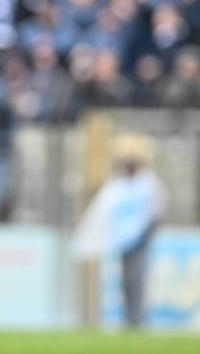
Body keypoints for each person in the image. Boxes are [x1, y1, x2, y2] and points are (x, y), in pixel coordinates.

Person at [69, 133, 167, 328]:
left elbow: (155, 210)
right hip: (122, 239)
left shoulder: (148, 183)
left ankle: (137, 319)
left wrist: (144, 233)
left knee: (137, 279)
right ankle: (128, 319)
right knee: (125, 281)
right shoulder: (117, 185)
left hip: (141, 239)